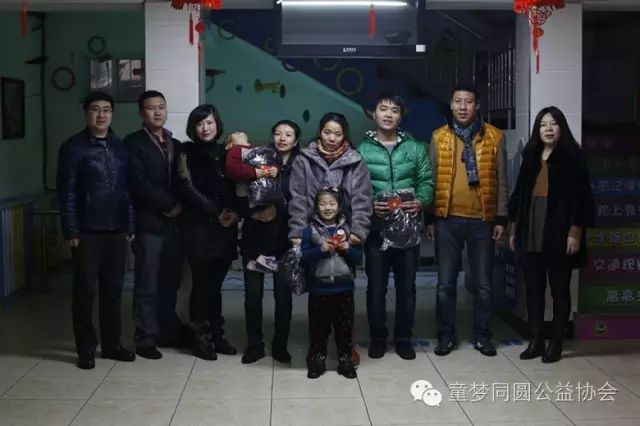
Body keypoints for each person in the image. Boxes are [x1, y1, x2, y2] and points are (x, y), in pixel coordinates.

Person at [426, 83, 508, 357]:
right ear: (450, 105)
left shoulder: (495, 136)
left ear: (477, 105)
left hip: (482, 221)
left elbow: (502, 180)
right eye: (458, 101)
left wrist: (501, 218)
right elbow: (431, 180)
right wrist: (430, 218)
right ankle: (446, 336)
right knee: (445, 284)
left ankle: (482, 336)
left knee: (483, 284)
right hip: (447, 220)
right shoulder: (438, 136)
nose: (463, 107)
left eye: (468, 102)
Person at [508, 106, 594, 363]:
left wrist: (575, 232)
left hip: (560, 230)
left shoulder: (573, 157)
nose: (548, 128)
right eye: (543, 124)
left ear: (561, 127)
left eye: (553, 123)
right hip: (531, 228)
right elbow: (519, 195)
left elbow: (583, 198)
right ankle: (536, 339)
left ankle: (556, 342)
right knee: (533, 288)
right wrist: (513, 228)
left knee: (559, 289)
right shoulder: (530, 155)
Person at [57, 91, 135, 369]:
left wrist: (130, 222)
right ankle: (86, 348)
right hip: (86, 231)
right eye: (95, 109)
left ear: (112, 114)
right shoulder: (73, 147)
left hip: (116, 230)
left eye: (106, 110)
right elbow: (66, 192)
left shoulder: (119, 146)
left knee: (113, 291)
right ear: (86, 113)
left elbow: (126, 189)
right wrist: (70, 229)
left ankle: (112, 345)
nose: (101, 115)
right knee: (86, 291)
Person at [288, 112, 372, 365]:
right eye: (327, 132)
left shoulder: (355, 161)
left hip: (344, 232)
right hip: (313, 233)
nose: (332, 138)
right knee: (318, 296)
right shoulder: (304, 159)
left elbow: (362, 199)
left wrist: (358, 232)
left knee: (345, 292)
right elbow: (298, 198)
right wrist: (297, 232)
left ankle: (347, 347)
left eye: (337, 133)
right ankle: (317, 349)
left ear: (344, 135)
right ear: (320, 132)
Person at [358, 93, 434, 360]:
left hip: (408, 231)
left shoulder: (415, 149)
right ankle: (378, 337)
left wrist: (421, 201)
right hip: (376, 230)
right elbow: (355, 187)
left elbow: (427, 181)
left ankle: (403, 339)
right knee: (376, 288)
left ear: (401, 117)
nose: (388, 114)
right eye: (383, 109)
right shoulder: (362, 150)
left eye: (394, 110)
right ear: (374, 113)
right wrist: (370, 205)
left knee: (407, 288)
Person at [124, 90, 187, 360]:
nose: (157, 112)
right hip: (148, 223)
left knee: (170, 282)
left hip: (174, 226)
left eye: (161, 107)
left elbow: (184, 181)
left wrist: (181, 206)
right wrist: (169, 204)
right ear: (141, 112)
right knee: (147, 283)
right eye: (151, 108)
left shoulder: (176, 144)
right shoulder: (133, 143)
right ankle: (145, 338)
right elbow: (138, 183)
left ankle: (166, 331)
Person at [233, 120, 301, 364]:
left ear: (296, 140)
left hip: (285, 240)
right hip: (255, 238)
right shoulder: (258, 158)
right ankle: (255, 345)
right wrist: (253, 212)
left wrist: (278, 209)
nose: (282, 138)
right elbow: (240, 194)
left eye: (288, 134)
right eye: (278, 133)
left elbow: (304, 201)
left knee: (283, 297)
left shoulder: (301, 164)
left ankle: (280, 345)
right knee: (253, 296)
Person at [176, 104, 239, 360]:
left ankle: (216, 335)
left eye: (210, 123)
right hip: (198, 228)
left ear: (217, 124)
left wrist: (235, 212)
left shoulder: (227, 151)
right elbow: (185, 185)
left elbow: (238, 187)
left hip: (225, 229)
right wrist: (215, 210)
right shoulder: (185, 151)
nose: (205, 128)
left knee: (215, 286)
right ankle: (200, 338)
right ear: (193, 127)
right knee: (201, 285)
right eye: (200, 123)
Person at [300, 189, 363, 379]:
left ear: (339, 207)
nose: (327, 208)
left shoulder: (349, 231)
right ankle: (317, 361)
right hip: (319, 289)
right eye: (323, 204)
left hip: (344, 288)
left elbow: (359, 258)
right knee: (318, 328)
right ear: (316, 207)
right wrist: (320, 249)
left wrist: (347, 249)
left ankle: (345, 361)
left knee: (344, 328)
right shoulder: (309, 230)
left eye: (332, 204)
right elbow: (304, 258)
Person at [224, 131, 281, 273]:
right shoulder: (235, 150)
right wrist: (254, 172)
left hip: (263, 194)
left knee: (266, 227)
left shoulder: (255, 149)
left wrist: (275, 169)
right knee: (254, 226)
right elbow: (232, 168)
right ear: (230, 144)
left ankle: (260, 258)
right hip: (248, 197)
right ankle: (257, 257)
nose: (239, 132)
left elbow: (271, 160)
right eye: (235, 134)